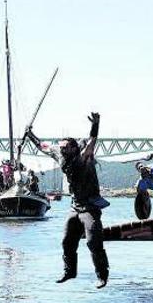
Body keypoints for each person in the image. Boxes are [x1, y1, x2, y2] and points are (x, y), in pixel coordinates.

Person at [26, 113, 111, 288]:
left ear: (74, 148)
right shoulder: (59, 154)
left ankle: (102, 275)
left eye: (66, 147)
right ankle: (70, 272)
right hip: (75, 206)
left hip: (90, 206)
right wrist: (30, 135)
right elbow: (43, 146)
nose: (62, 149)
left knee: (93, 242)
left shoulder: (85, 157)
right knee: (67, 241)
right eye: (61, 147)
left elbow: (92, 140)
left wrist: (96, 124)